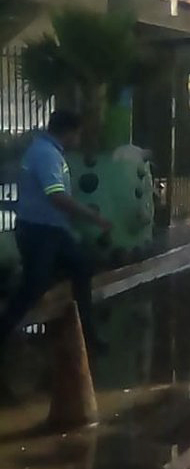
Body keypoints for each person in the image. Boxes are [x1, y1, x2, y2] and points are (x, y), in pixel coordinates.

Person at [0, 110, 112, 351]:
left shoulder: (47, 151)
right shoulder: (46, 154)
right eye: (78, 135)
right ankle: (5, 330)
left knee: (81, 267)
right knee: (34, 285)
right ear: (69, 132)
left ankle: (86, 334)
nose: (78, 140)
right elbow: (57, 196)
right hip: (39, 232)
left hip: (53, 230)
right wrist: (93, 216)